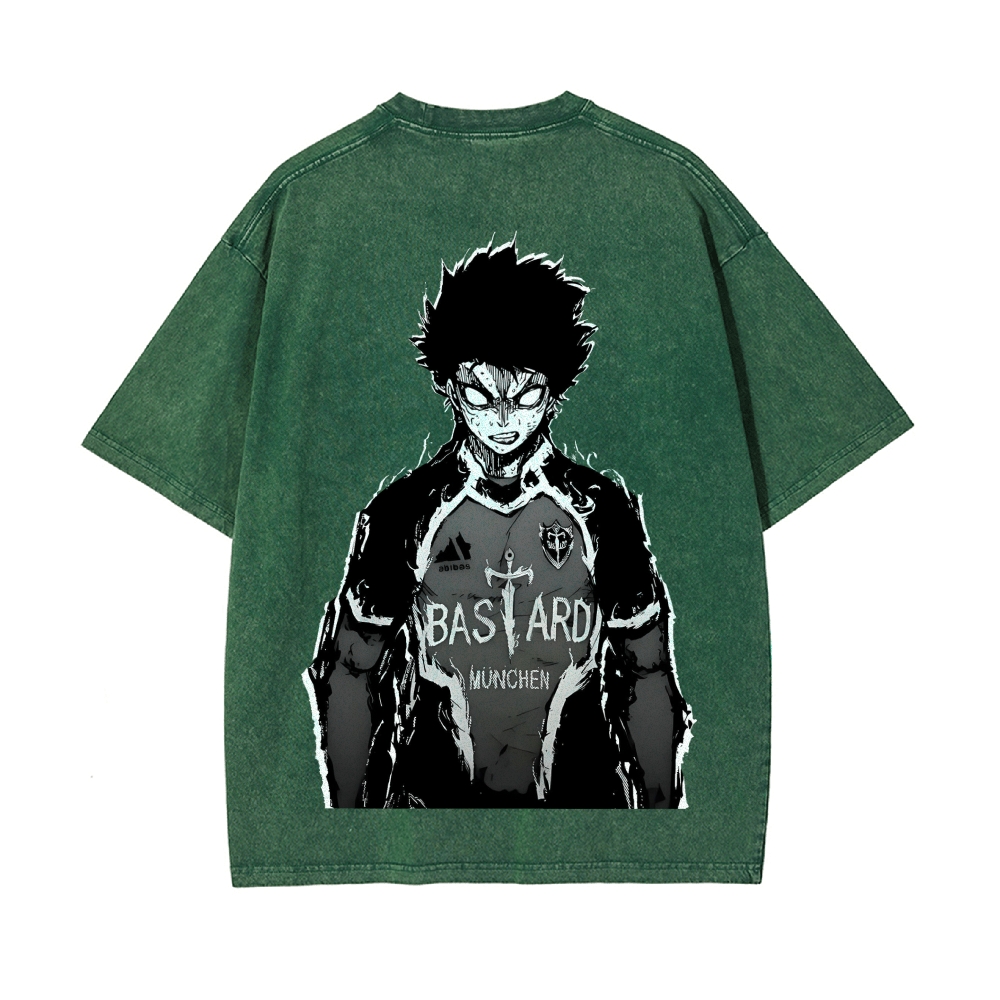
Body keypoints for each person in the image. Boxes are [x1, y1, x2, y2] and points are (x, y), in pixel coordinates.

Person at [304, 239, 693, 808]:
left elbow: (649, 673)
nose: (504, 418)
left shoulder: (601, 511)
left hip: (580, 820)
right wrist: (347, 822)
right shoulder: (404, 514)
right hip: (432, 819)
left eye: (526, 394)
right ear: (448, 386)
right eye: (480, 394)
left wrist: (660, 821)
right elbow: (349, 671)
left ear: (554, 391)